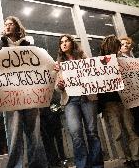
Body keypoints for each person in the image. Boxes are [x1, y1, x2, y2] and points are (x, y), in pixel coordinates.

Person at [0, 16, 49, 168]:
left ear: (17, 27)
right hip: (10, 96)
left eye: (10, 24)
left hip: (30, 95)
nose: (7, 26)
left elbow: (39, 65)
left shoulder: (29, 45)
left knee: (34, 134)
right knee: (14, 135)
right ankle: (16, 166)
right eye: (5, 24)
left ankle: (37, 165)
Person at [55, 34, 104, 168]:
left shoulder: (84, 58)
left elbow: (95, 75)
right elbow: (57, 87)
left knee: (92, 132)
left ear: (72, 43)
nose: (64, 44)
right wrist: (59, 85)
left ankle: (97, 165)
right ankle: (83, 165)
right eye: (61, 42)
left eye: (66, 41)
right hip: (70, 101)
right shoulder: (59, 64)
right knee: (76, 133)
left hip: (87, 97)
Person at [98, 35, 139, 167]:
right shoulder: (100, 62)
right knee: (119, 132)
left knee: (129, 129)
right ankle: (127, 159)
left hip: (125, 100)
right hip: (110, 102)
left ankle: (133, 157)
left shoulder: (123, 61)